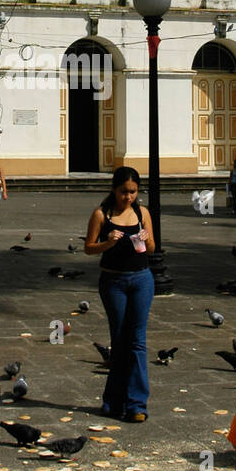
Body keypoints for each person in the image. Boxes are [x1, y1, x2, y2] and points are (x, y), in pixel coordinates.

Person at [84, 166, 155, 423]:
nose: (129, 197)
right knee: (119, 339)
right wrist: (108, 243)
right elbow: (89, 249)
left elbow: (152, 248)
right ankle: (114, 401)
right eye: (124, 192)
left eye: (133, 192)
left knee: (137, 342)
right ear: (114, 189)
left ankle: (137, 404)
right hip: (113, 280)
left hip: (142, 279)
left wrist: (146, 239)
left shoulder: (141, 212)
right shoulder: (101, 215)